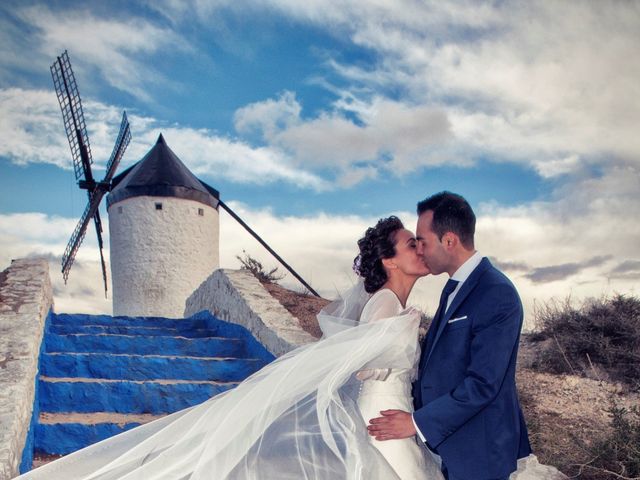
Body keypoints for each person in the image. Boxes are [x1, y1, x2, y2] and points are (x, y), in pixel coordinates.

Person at [18, 216, 441, 480]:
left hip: (391, 414)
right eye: (411, 245)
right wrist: (388, 360)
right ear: (389, 260)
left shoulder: (396, 305)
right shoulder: (385, 304)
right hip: (384, 418)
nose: (420, 250)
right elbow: (361, 367)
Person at [367, 192, 531, 480]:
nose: (420, 249)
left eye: (423, 241)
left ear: (450, 241)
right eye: (414, 243)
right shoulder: (453, 288)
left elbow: (483, 383)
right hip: (446, 442)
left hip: (478, 449)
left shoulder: (496, 292)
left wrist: (416, 423)